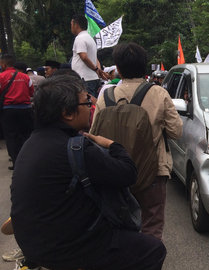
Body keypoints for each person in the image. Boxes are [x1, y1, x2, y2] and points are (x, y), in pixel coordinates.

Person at [10, 75, 166, 269]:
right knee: (152, 249)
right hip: (66, 249)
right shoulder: (77, 147)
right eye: (86, 101)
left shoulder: (30, 144)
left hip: (32, 245)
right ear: (67, 113)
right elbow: (128, 174)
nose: (91, 105)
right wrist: (113, 144)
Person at [91, 42, 183, 240]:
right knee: (152, 223)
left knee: (119, 222)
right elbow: (176, 132)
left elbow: (94, 135)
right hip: (153, 172)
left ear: (118, 68)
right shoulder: (159, 93)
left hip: (115, 172)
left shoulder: (105, 96)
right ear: (144, 66)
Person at [0, 54, 34, 170]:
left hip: (8, 111)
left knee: (11, 137)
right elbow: (31, 93)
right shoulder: (25, 77)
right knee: (26, 135)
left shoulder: (1, 77)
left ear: (4, 65)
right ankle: (29, 160)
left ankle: (16, 163)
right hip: (25, 109)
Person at [71, 14, 105, 97]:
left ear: (76, 25)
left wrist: (96, 69)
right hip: (92, 78)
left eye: (71, 24)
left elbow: (84, 57)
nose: (71, 27)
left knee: (87, 104)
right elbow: (95, 59)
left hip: (84, 79)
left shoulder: (80, 38)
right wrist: (98, 70)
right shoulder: (90, 38)